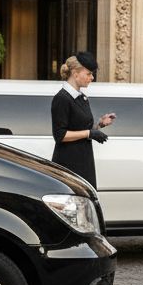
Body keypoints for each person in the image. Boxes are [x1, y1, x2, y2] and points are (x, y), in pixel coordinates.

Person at [50, 52, 115, 188]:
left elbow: (81, 128)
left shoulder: (82, 98)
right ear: (75, 73)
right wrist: (90, 134)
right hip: (69, 164)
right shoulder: (62, 98)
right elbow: (60, 135)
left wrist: (99, 125)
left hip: (84, 160)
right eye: (88, 74)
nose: (91, 77)